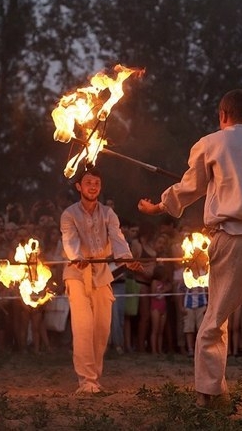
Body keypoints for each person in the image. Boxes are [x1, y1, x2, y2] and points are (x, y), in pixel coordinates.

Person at [138, 89, 242, 417]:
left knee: (216, 316)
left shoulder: (211, 143)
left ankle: (207, 393)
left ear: (223, 115)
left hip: (231, 239)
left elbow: (190, 186)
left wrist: (160, 206)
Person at [61, 168, 141, 394]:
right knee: (83, 326)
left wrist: (127, 259)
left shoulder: (108, 214)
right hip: (77, 274)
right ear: (79, 186)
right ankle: (86, 381)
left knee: (101, 329)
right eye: (88, 182)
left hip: (102, 273)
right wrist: (77, 258)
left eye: (96, 182)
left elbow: (118, 239)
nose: (92, 186)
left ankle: (94, 379)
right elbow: (70, 240)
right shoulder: (69, 214)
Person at [149, 264, 171, 355]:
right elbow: (153, 294)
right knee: (155, 329)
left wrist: (166, 289)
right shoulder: (154, 282)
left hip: (163, 305)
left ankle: (160, 350)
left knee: (161, 331)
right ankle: (154, 350)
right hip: (155, 306)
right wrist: (162, 291)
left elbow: (170, 287)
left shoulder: (165, 284)